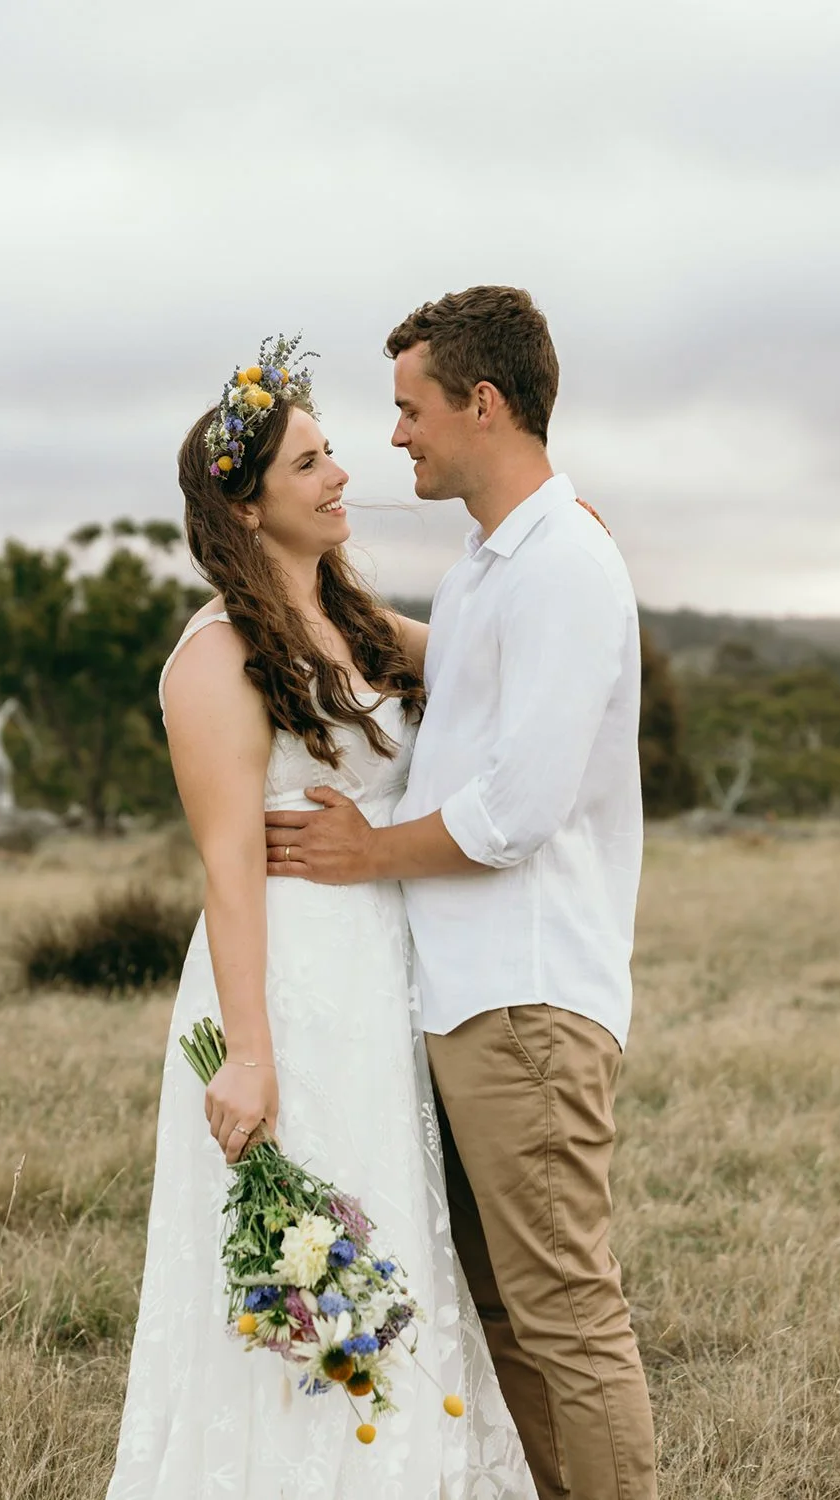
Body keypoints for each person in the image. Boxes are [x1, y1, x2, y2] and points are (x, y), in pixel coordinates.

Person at [105, 337, 536, 1500]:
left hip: (379, 974)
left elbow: (492, 657)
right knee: (318, 1266)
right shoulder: (214, 660)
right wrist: (248, 1055)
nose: (342, 472)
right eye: (309, 463)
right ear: (246, 510)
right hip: (285, 987)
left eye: (333, 450)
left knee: (396, 1231)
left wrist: (547, 540)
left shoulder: (353, 623)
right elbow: (228, 871)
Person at [265, 288, 658, 1500]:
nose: (395, 438)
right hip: (467, 1005)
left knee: (568, 1320)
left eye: (410, 409)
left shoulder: (565, 565)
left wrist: (362, 855)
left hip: (527, 1005)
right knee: (500, 1311)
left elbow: (513, 812)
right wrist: (295, 596)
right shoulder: (496, 565)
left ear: (481, 404)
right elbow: (442, 660)